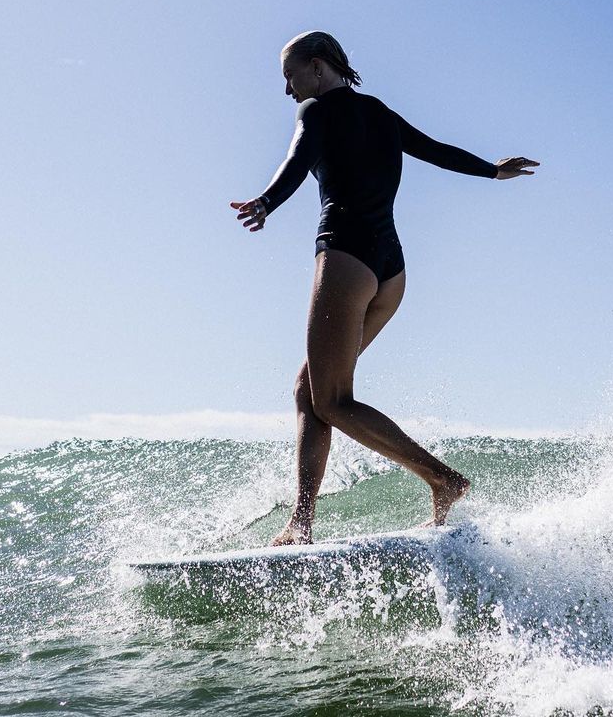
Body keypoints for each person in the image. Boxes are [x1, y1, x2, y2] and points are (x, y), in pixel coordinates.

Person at [231, 31, 538, 546]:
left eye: (290, 75)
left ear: (317, 66)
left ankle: (437, 480)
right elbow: (435, 151)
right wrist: (491, 171)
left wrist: (266, 202)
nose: (287, 89)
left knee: (330, 400)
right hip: (390, 270)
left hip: (345, 256)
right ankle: (304, 520)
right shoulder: (380, 112)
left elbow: (298, 160)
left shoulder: (315, 112)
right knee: (310, 390)